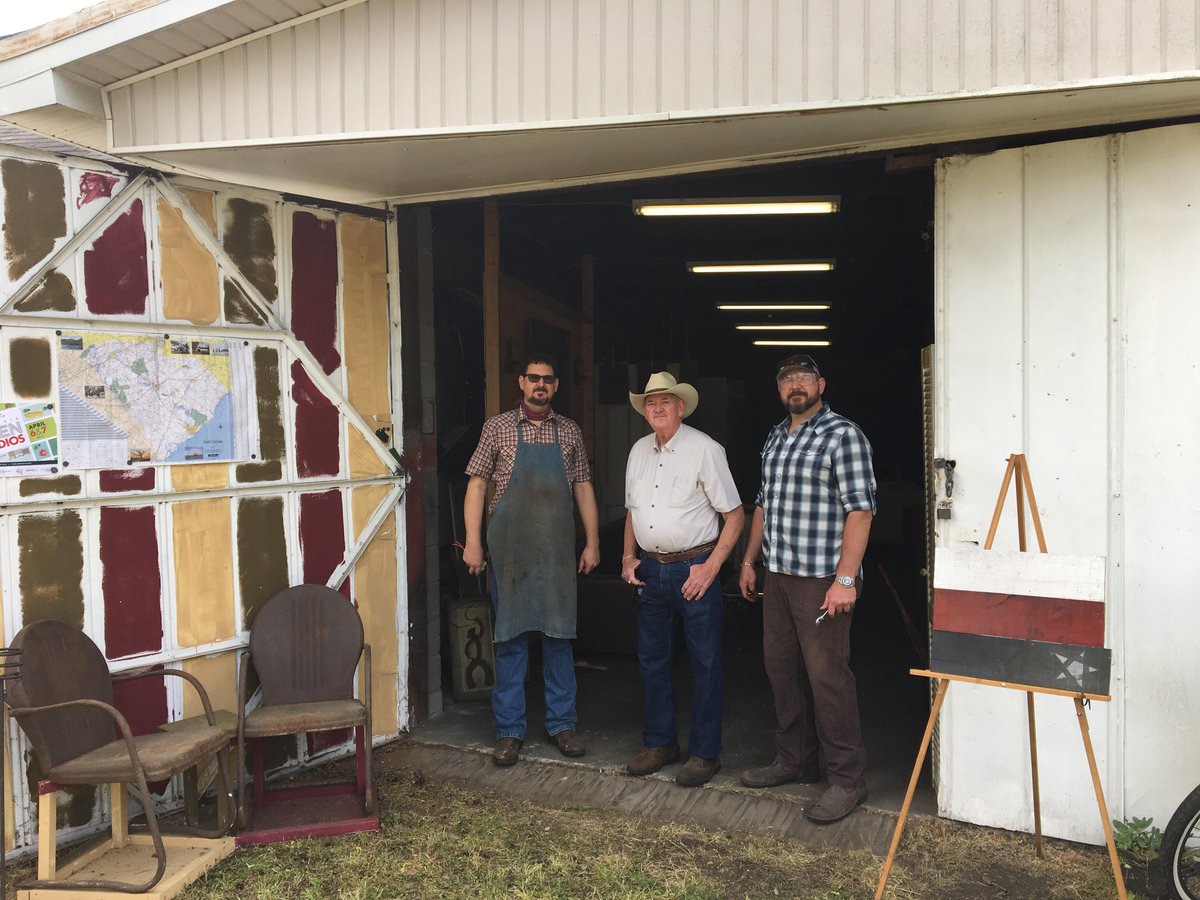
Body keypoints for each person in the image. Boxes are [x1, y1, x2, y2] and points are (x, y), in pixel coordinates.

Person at [738, 354, 876, 824]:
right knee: (781, 670)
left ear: (821, 384)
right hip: (778, 575)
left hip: (821, 579)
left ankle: (847, 779)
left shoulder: (843, 435)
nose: (794, 386)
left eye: (803, 378)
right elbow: (762, 504)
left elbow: (860, 511)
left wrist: (845, 579)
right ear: (779, 390)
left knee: (827, 677)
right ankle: (794, 760)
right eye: (786, 380)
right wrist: (749, 561)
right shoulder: (776, 436)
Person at [462, 355, 600, 767]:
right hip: (511, 550)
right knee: (510, 638)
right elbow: (476, 485)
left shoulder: (569, 431)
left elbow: (583, 486)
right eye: (534, 378)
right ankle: (509, 731)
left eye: (548, 379)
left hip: (556, 551)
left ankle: (563, 725)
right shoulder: (497, 427)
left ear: (556, 386)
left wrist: (592, 542)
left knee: (559, 637)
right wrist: (473, 542)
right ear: (521, 382)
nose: (541, 384)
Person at [621, 372, 744, 787]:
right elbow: (633, 510)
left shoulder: (705, 449)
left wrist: (712, 568)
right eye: (650, 402)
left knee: (704, 661)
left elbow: (734, 516)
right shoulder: (638, 450)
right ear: (645, 411)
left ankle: (705, 753)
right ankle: (661, 743)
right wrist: (628, 557)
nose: (657, 408)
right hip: (650, 569)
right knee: (652, 659)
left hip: (695, 568)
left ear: (680, 407)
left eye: (665, 401)